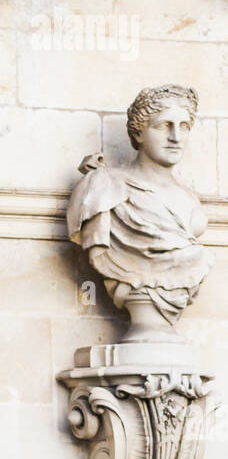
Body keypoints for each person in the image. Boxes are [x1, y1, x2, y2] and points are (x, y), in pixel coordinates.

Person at [67, 84, 212, 340]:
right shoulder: (105, 188)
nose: (176, 137)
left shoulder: (192, 204)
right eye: (163, 125)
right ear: (139, 133)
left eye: (184, 126)